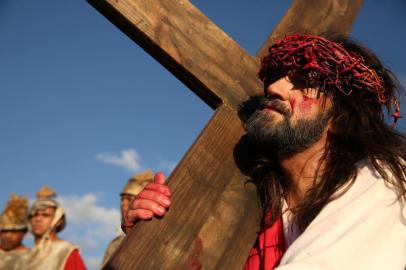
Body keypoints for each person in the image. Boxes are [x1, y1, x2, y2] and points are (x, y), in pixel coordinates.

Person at [122, 34, 406, 269]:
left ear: (342, 120)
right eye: (277, 76)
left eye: (303, 81)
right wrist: (153, 240)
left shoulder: (386, 183)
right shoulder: (261, 215)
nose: (274, 87)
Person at [101, 170, 154, 267]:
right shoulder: (113, 245)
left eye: (129, 199)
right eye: (122, 200)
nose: (123, 204)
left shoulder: (155, 237)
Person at [26, 186, 86, 270]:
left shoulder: (66, 251)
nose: (38, 219)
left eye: (45, 215)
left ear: (58, 221)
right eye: (34, 215)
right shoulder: (25, 255)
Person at [0, 193, 30, 270]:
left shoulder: (32, 258)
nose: (8, 235)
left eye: (13, 231)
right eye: (4, 231)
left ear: (24, 232)